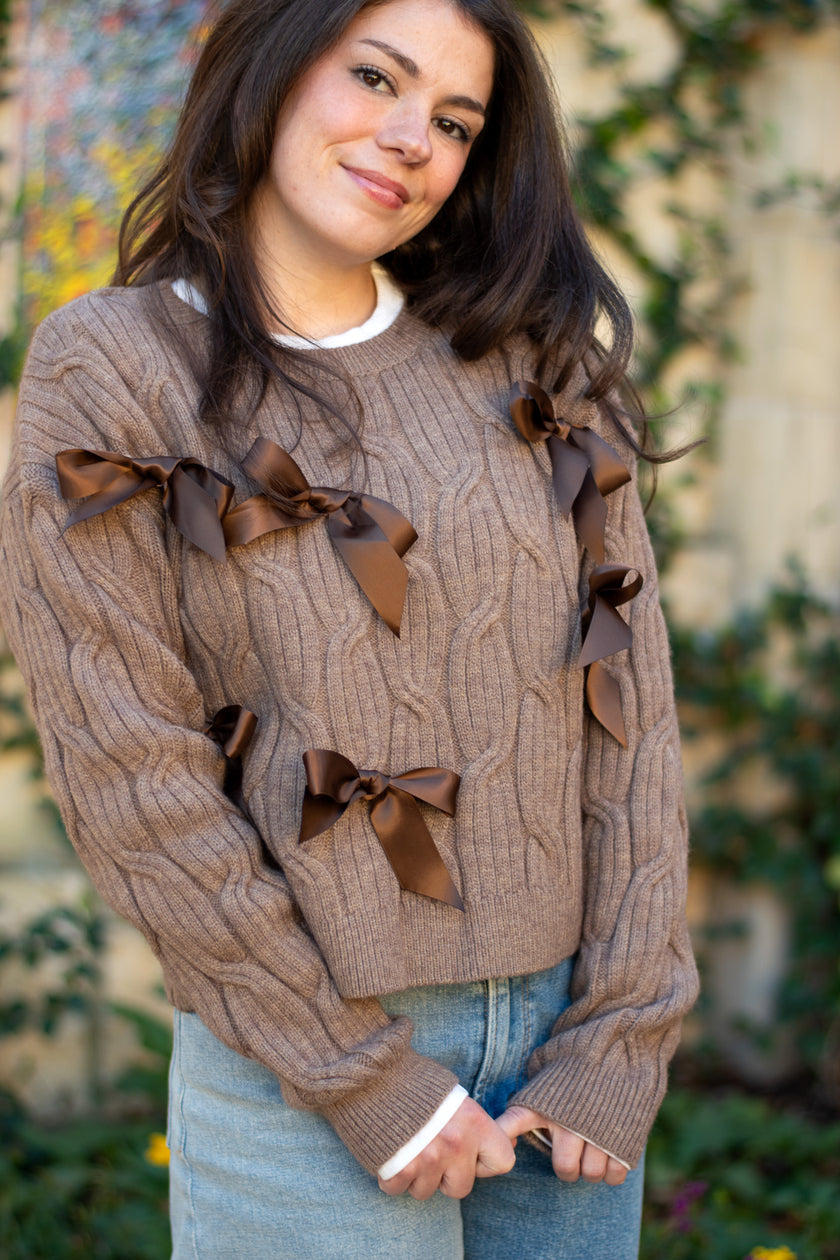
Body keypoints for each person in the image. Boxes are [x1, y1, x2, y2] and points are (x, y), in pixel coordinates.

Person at [0, 0, 699, 1256]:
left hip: (565, 1060)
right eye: (375, 77)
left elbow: (630, 701)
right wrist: (357, 1073)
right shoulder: (112, 366)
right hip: (303, 1075)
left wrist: (624, 1027)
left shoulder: (532, 361)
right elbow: (129, 766)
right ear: (272, 71)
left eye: (453, 120)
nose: (409, 138)